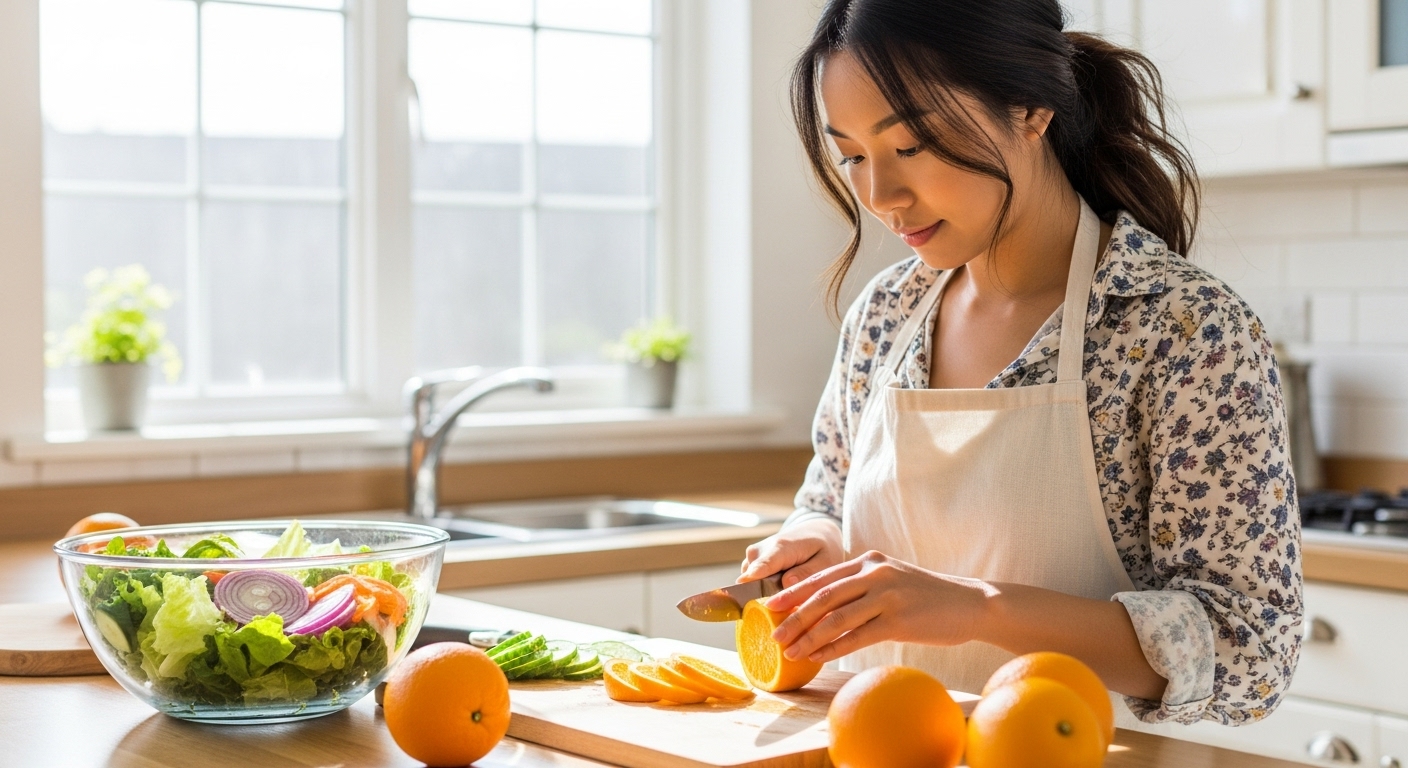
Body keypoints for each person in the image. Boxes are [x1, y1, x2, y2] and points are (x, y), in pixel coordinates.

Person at [740, 0, 1302, 726]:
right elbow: (832, 492)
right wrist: (811, 542)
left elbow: (1250, 649)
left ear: (1031, 108)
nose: (881, 196)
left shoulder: (1179, 330)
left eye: (910, 145)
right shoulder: (886, 316)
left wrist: (976, 607)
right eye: (852, 154)